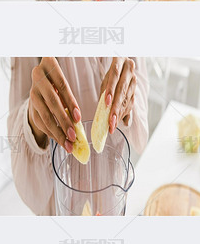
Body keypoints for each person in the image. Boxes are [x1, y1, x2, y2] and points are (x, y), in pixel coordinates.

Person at [8, 57, 149, 215]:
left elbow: (141, 135)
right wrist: (34, 122)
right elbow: (26, 182)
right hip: (63, 206)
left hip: (112, 198)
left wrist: (126, 99)